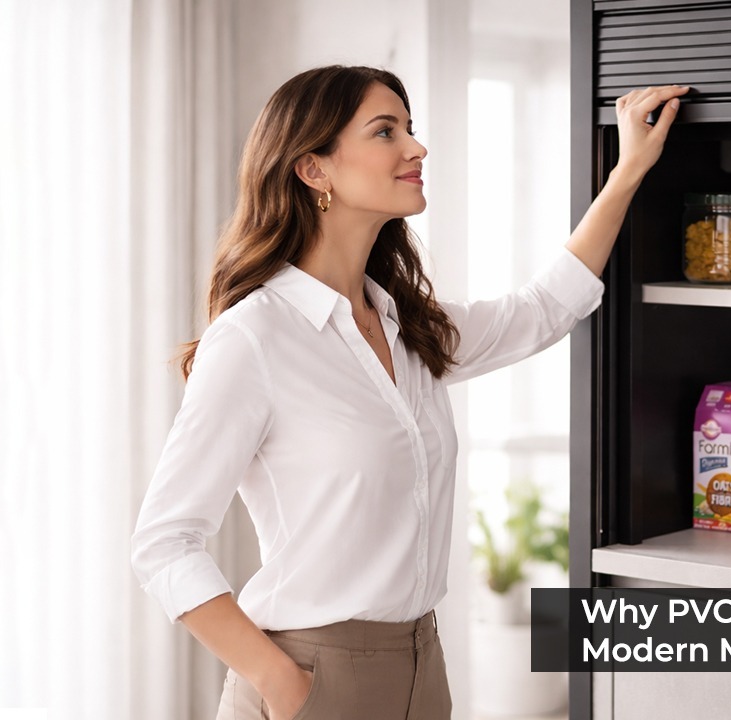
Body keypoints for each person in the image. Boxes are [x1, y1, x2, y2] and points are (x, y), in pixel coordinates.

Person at [130, 65, 687, 719]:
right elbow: (164, 542)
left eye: (410, 129)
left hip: (423, 667)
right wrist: (283, 684)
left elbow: (542, 310)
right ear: (314, 170)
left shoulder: (405, 325)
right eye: (385, 131)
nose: (416, 148)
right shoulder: (255, 337)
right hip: (311, 676)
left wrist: (627, 171)